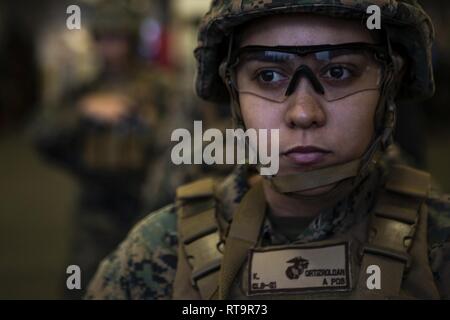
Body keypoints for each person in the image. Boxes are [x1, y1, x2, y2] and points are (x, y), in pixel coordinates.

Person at [86, 0, 450, 300]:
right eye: (268, 76)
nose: (304, 113)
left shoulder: (439, 244)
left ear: (390, 84)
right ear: (234, 94)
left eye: (339, 72)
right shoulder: (155, 251)